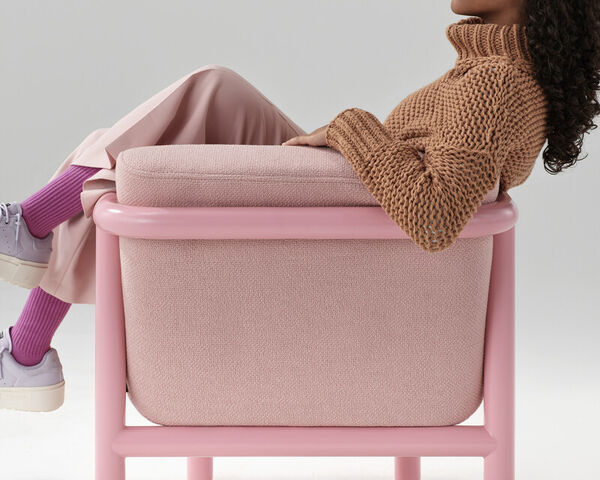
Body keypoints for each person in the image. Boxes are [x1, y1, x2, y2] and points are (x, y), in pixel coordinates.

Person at [1, 0, 599, 412]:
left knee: (154, 143)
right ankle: (28, 302)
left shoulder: (495, 84)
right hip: (349, 203)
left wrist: (351, 127)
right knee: (203, 98)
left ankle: (29, 270)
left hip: (349, 227)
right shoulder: (495, 74)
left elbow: (436, 213)